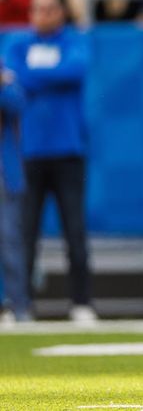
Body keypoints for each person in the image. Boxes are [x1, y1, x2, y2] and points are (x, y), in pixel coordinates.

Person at [4, 0, 94, 322]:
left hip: (68, 151)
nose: (44, 14)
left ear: (61, 12)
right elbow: (13, 78)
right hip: (29, 153)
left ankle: (82, 304)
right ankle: (22, 305)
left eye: (50, 8)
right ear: (30, 13)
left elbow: (73, 71)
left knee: (75, 231)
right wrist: (43, 76)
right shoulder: (17, 44)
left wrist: (30, 76)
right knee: (24, 234)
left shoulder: (75, 41)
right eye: (37, 9)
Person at [0, 58, 28, 322]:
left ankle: (17, 305)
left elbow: (16, 103)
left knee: (9, 241)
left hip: (4, 174)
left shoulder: (7, 79)